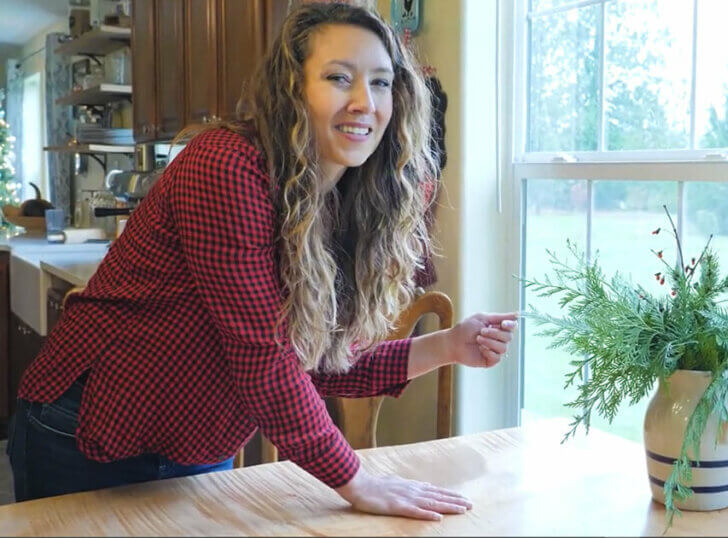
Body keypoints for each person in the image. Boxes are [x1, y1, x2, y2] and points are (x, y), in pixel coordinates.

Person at [7, 3, 517, 522]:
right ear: (293, 86)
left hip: (197, 447)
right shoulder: (225, 166)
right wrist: (357, 481)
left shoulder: (342, 201)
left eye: (381, 83)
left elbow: (316, 362)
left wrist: (448, 346)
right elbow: (264, 358)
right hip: (88, 434)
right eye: (339, 77)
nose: (365, 101)